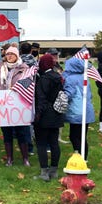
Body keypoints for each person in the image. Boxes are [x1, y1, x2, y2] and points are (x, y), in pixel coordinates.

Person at [0, 45, 31, 166]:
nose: (9, 56)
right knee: (7, 133)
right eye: (7, 54)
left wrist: (19, 88)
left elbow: (30, 82)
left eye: (12, 54)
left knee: (21, 132)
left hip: (19, 104)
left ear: (17, 55)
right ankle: (9, 158)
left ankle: (25, 158)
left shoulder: (24, 68)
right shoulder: (0, 67)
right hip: (4, 104)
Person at [33, 53, 65, 181]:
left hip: (45, 114)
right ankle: (54, 170)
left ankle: (44, 173)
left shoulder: (44, 79)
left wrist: (37, 115)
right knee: (54, 143)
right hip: (57, 113)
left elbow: (41, 99)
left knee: (41, 144)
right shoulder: (58, 77)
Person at [61, 56, 95, 161]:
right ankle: (83, 156)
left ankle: (80, 156)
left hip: (76, 112)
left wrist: (61, 96)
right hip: (86, 110)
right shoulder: (84, 77)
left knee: (74, 136)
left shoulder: (70, 78)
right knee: (82, 136)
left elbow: (69, 94)